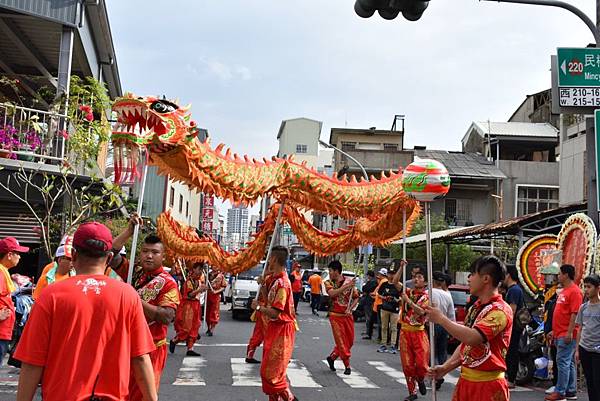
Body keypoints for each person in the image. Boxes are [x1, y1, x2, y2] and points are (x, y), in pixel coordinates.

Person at [14, 222, 157, 401]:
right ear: (109, 257)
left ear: (73, 254)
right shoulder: (127, 295)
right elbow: (141, 358)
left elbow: (32, 362)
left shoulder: (52, 294)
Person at [426, 255, 513, 401]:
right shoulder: (475, 308)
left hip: (488, 386)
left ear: (486, 279)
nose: (469, 279)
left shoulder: (500, 311)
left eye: (472, 274)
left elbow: (472, 338)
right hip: (466, 382)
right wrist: (446, 367)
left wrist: (441, 319)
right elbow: (465, 344)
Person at [126, 234, 180, 401]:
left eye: (155, 252)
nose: (149, 255)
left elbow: (166, 316)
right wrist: (129, 231)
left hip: (151, 348)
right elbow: (111, 256)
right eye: (145, 251)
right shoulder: (134, 273)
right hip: (127, 344)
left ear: (163, 256)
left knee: (144, 395)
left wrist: (136, 300)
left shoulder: (169, 283)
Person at [251, 246, 297, 401]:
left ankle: (289, 398)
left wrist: (258, 307)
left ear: (275, 259)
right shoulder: (274, 280)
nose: (268, 261)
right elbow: (269, 300)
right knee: (269, 371)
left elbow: (276, 312)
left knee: (271, 373)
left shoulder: (283, 284)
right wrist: (263, 286)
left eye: (270, 257)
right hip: (273, 328)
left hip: (282, 330)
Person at [546, 264, 583, 401]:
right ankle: (570, 390)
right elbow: (562, 314)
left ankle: (560, 391)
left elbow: (574, 314)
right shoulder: (565, 291)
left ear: (566, 274)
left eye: (560, 274)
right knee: (568, 362)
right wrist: (554, 331)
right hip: (559, 332)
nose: (558, 276)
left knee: (563, 362)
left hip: (566, 334)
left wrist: (569, 332)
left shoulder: (575, 291)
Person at [393, 267, 429, 401]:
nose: (416, 279)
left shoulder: (426, 296)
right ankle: (412, 391)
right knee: (407, 364)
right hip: (405, 332)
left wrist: (407, 301)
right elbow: (395, 281)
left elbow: (421, 312)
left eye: (420, 277)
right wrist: (401, 267)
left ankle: (420, 379)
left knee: (421, 364)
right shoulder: (407, 291)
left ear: (425, 282)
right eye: (415, 277)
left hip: (418, 333)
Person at [325, 260, 359, 375]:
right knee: (341, 341)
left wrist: (351, 308)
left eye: (330, 271)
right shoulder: (328, 282)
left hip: (347, 315)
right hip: (335, 316)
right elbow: (332, 294)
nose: (329, 273)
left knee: (349, 341)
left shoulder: (349, 281)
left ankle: (332, 356)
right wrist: (347, 286)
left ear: (336, 271)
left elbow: (356, 297)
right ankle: (347, 365)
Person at [0, 237, 29, 365]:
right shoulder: (0, 274)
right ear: (9, 255)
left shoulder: (3, 272)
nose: (20, 257)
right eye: (18, 253)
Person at [170, 262, 207, 356]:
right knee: (187, 328)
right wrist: (199, 290)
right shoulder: (189, 281)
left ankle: (190, 348)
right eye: (199, 269)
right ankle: (174, 340)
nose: (200, 272)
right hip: (188, 306)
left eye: (201, 270)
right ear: (193, 269)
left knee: (195, 327)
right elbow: (190, 294)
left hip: (196, 305)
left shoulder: (198, 281)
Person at [575, 274, 600, 401]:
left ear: (597, 288)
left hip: (597, 351)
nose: (586, 290)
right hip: (584, 348)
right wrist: (577, 350)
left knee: (597, 382)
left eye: (589, 287)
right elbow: (580, 329)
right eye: (585, 287)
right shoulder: (583, 307)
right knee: (589, 381)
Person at [430, 271, 455, 390]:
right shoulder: (447, 294)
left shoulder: (429, 293)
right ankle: (442, 372)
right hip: (444, 325)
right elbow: (451, 314)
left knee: (432, 351)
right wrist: (452, 329)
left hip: (432, 324)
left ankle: (435, 375)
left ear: (433, 280)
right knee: (442, 351)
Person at [246, 265, 274, 364]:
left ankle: (249, 355)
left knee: (258, 333)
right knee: (269, 334)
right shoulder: (269, 279)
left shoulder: (265, 278)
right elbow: (268, 299)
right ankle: (271, 357)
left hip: (261, 309)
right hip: (265, 310)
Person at [504, 264, 524, 389]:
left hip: (513, 328)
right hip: (513, 328)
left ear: (509, 275)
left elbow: (512, 310)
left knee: (512, 352)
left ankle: (511, 379)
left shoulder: (514, 290)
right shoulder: (513, 289)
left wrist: (505, 327)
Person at [377, 268, 401, 354]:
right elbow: (379, 294)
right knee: (384, 327)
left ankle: (393, 345)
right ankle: (383, 344)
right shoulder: (384, 284)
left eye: (393, 274)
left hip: (394, 309)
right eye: (389, 274)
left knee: (393, 328)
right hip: (385, 308)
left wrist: (396, 299)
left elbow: (402, 296)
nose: (391, 275)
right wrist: (384, 298)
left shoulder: (398, 285)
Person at [205, 267, 227, 336]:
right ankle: (208, 327)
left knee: (214, 312)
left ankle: (212, 329)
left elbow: (223, 287)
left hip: (216, 296)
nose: (215, 266)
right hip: (208, 295)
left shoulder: (221, 276)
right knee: (207, 312)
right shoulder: (208, 274)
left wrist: (216, 291)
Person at [371, 268, 388, 343]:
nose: (378, 275)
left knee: (381, 322)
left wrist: (375, 294)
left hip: (380, 303)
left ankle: (381, 338)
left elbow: (379, 292)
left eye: (380, 274)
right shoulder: (381, 281)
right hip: (379, 303)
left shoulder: (384, 281)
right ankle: (381, 337)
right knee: (381, 322)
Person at [361, 270, 378, 340]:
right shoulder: (375, 282)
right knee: (368, 317)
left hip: (369, 301)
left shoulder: (372, 282)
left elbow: (364, 288)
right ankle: (368, 331)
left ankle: (369, 332)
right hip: (370, 301)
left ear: (369, 275)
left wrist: (365, 287)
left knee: (368, 317)